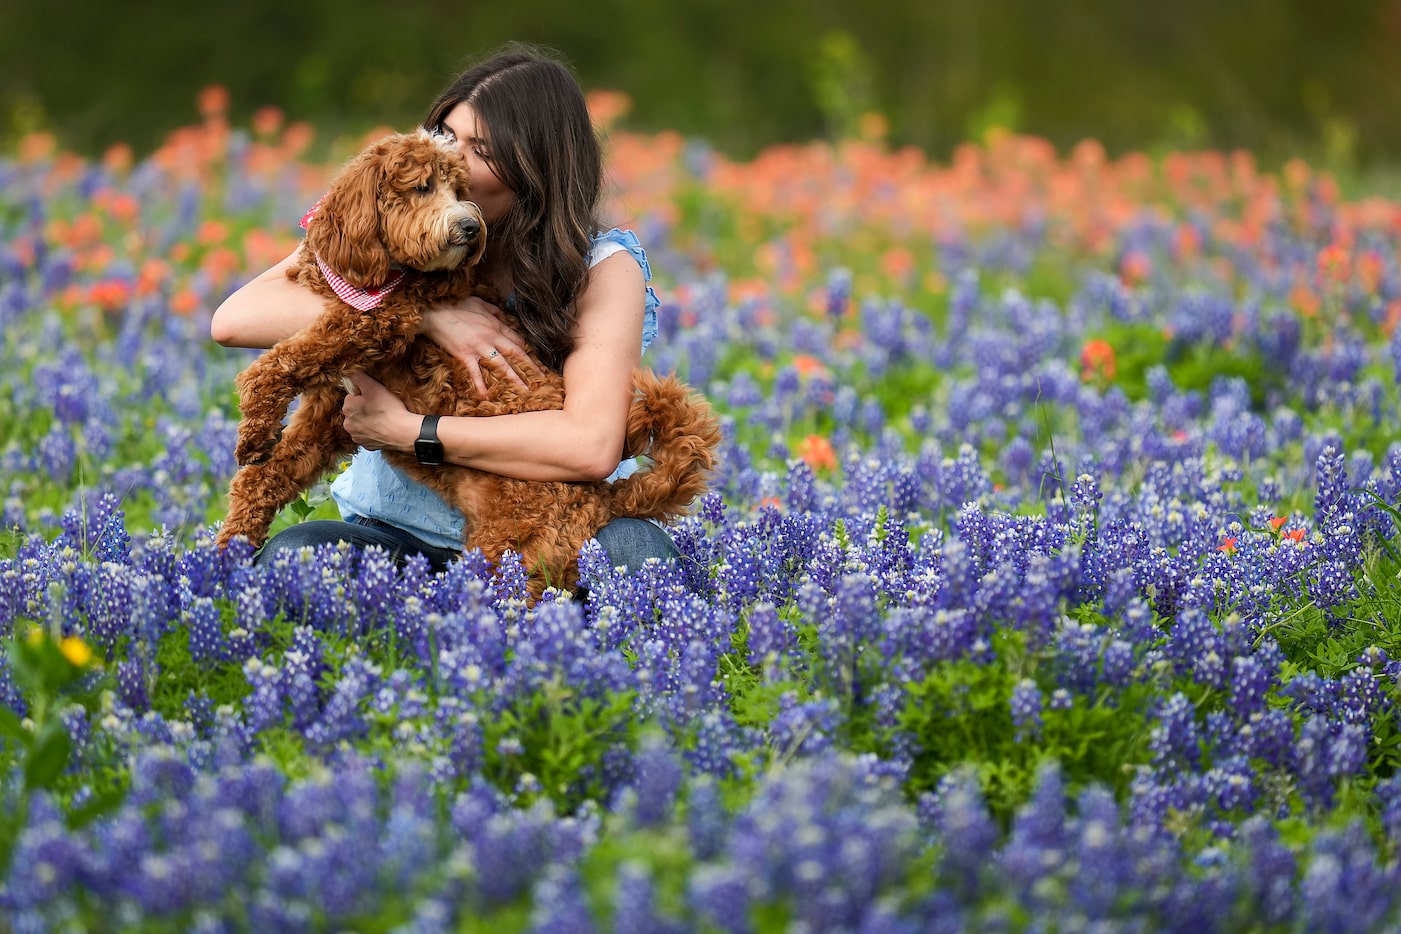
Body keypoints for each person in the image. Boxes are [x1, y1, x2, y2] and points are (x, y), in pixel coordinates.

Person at [210, 44, 683, 580]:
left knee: (635, 556)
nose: (452, 159)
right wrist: (425, 313)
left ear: (536, 165)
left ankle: (519, 629)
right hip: (394, 531)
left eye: (479, 148)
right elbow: (235, 318)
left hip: (540, 518)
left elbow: (591, 447)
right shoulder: (390, 226)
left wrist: (411, 430)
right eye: (447, 135)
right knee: (293, 562)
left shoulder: (601, 266)